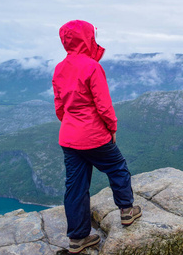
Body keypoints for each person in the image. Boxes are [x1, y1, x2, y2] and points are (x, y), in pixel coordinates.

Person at [52, 20, 141, 254]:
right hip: (94, 135)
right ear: (87, 38)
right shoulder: (92, 66)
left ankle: (78, 238)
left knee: (75, 186)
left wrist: (72, 124)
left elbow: (59, 106)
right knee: (117, 167)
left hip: (69, 138)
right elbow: (103, 105)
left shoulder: (60, 68)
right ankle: (127, 212)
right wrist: (111, 127)